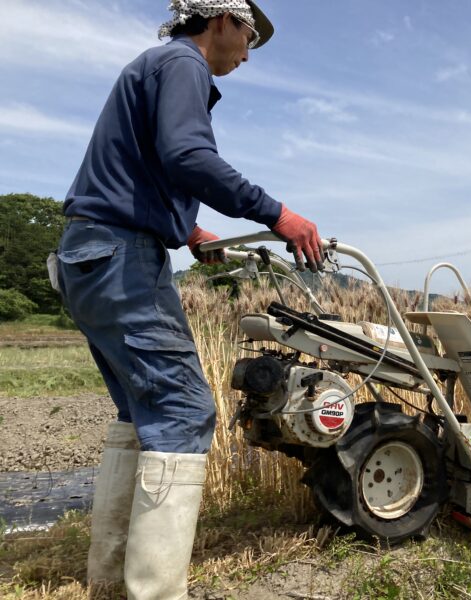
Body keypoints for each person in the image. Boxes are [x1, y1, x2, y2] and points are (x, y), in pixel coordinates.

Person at [55, 1, 322, 597]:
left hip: (87, 257)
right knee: (184, 412)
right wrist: (278, 214)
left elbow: (141, 171)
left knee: (141, 414)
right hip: (123, 258)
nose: (248, 55)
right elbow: (187, 155)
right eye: (249, 37)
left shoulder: (153, 66)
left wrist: (190, 232)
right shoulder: (183, 65)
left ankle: (109, 579)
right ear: (222, 21)